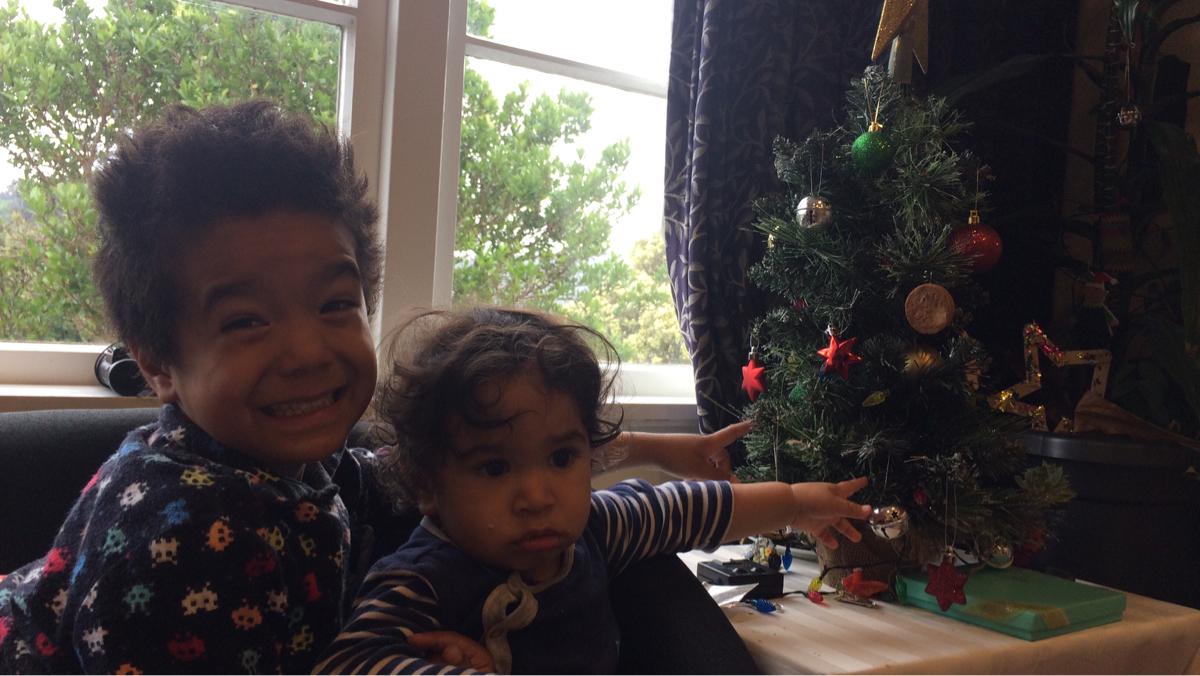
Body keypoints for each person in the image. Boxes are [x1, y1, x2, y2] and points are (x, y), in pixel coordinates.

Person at [0, 101, 749, 673]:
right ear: (159, 363)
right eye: (246, 321)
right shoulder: (180, 540)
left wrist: (654, 451)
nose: (308, 350)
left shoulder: (298, 465)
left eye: (335, 304)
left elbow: (457, 460)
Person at [316, 307, 872, 674]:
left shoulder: (596, 529)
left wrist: (796, 503)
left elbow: (698, 507)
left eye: (561, 458)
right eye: (494, 468)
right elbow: (346, 663)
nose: (537, 497)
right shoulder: (421, 577)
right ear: (426, 483)